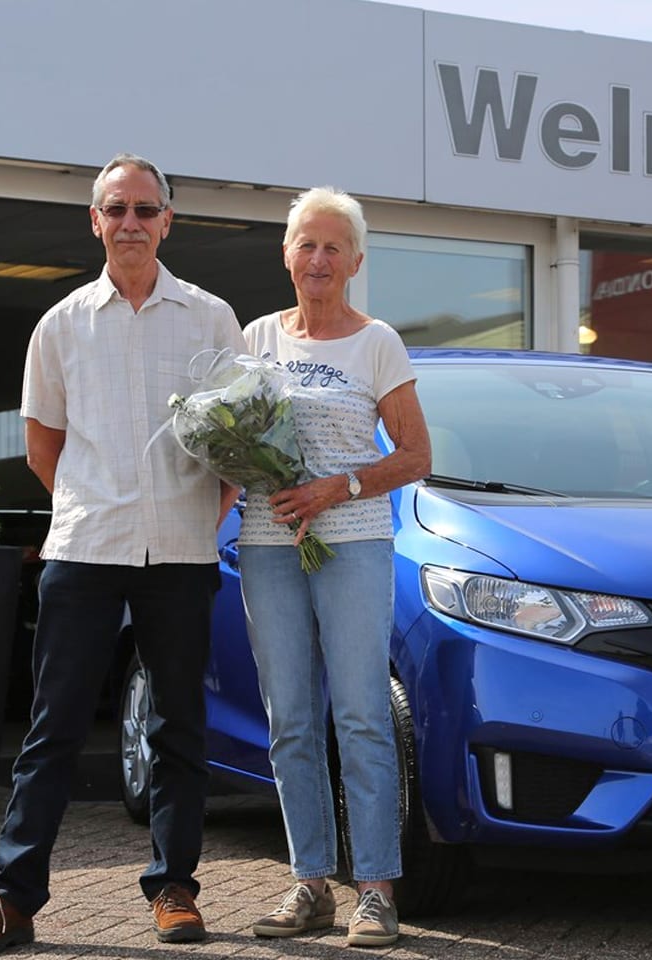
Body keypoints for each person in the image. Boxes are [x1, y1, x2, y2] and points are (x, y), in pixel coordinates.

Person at [0, 153, 246, 955]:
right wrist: (92, 502)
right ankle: (11, 899)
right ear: (95, 221)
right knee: (53, 729)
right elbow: (42, 445)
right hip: (85, 548)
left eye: (145, 209)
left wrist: (201, 512)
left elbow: (234, 445)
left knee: (179, 727)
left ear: (167, 222)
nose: (130, 223)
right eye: (116, 209)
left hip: (180, 551)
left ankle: (175, 888)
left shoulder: (212, 318)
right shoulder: (61, 324)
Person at [240, 186, 431, 948]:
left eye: (332, 247)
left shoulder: (377, 342)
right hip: (268, 544)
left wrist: (338, 486)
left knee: (359, 715)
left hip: (351, 544)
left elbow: (416, 455)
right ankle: (310, 883)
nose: (318, 259)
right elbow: (235, 432)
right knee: (289, 719)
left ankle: (376, 890)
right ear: (286, 255)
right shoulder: (256, 338)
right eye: (306, 245)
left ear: (355, 261)